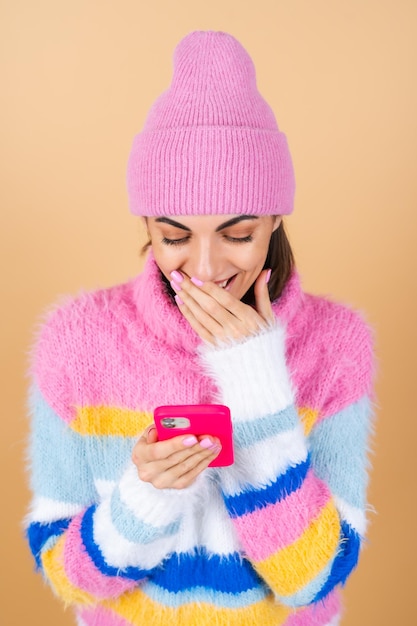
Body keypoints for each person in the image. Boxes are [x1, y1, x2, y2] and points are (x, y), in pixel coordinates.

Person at [25, 31, 374, 626]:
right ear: (147, 224)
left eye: (238, 234)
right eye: (175, 236)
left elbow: (312, 580)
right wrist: (144, 497)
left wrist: (257, 383)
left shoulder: (336, 346)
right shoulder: (76, 341)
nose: (207, 269)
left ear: (274, 219)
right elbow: (70, 577)